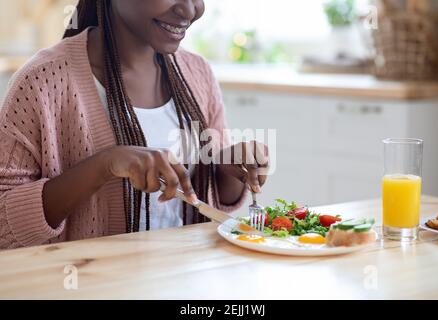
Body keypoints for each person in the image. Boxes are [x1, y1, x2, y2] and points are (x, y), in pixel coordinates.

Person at [0, 0, 268, 249]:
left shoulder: (197, 72)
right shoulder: (41, 82)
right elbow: (3, 225)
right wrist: (105, 165)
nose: (189, 9)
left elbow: (215, 199)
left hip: (187, 283)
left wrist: (229, 168)